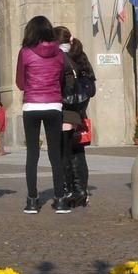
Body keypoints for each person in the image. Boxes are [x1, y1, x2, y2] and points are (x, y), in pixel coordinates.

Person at [16, 14, 68, 214]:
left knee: (32, 154)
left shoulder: (25, 52)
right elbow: (61, 79)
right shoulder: (59, 53)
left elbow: (20, 82)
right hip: (54, 105)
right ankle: (60, 199)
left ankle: (31, 199)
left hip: (32, 106)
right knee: (55, 154)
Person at [55, 28, 95, 207]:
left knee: (66, 151)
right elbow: (91, 87)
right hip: (78, 110)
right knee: (77, 152)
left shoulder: (62, 59)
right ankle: (79, 191)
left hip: (66, 109)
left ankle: (70, 190)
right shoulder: (80, 56)